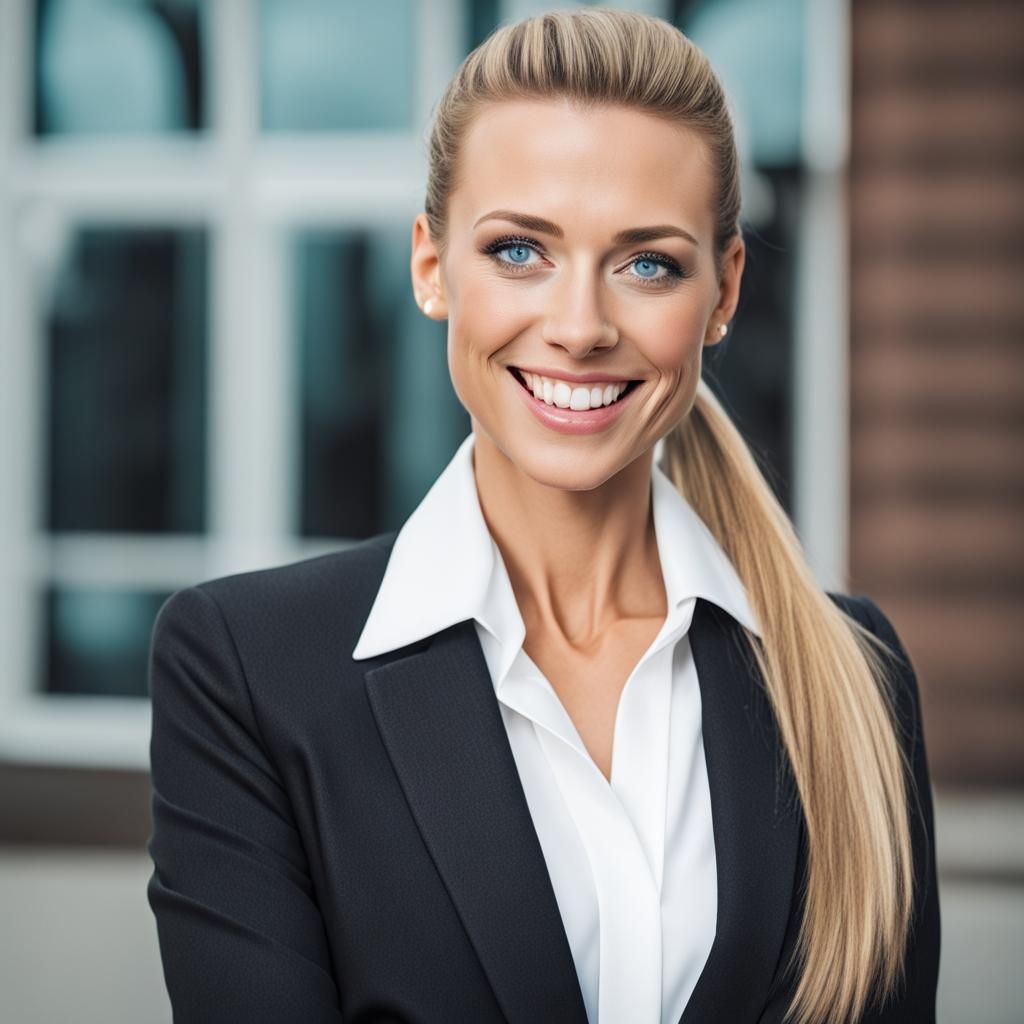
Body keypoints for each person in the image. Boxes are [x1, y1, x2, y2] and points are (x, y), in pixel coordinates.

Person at [145, 9, 940, 1023]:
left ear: (724, 290)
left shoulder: (851, 677)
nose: (578, 327)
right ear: (432, 267)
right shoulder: (246, 671)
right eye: (520, 250)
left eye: (646, 262)